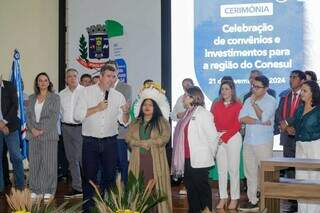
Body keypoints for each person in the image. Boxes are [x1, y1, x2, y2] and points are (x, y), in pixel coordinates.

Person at [74, 64, 130, 212]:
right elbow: (77, 116)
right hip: (90, 142)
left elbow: (124, 121)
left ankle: (107, 207)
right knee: (89, 178)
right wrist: (96, 108)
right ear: (100, 77)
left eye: (114, 77)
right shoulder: (86, 93)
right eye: (109, 76)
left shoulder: (119, 96)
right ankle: (89, 208)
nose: (111, 80)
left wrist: (126, 112)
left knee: (110, 177)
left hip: (110, 142)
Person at [172, 86, 219, 213]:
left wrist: (210, 154)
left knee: (201, 187)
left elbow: (213, 137)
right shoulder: (186, 113)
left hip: (200, 158)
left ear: (194, 97)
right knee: (191, 188)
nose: (183, 97)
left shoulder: (203, 113)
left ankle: (207, 210)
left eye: (186, 95)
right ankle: (194, 210)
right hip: (186, 158)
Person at [125, 85, 172, 213]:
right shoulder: (135, 122)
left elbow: (165, 138)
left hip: (155, 159)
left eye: (150, 105)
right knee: (139, 186)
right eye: (145, 104)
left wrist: (149, 142)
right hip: (138, 159)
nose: (147, 107)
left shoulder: (162, 121)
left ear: (155, 107)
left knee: (155, 187)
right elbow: (128, 138)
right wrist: (140, 143)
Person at [238, 75, 277, 212]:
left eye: (257, 87)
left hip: (263, 142)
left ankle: (266, 200)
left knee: (265, 172)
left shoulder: (271, 101)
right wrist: (258, 121)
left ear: (266, 88)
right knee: (250, 172)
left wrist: (255, 105)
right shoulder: (248, 99)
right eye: (253, 86)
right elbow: (241, 118)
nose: (254, 89)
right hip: (248, 141)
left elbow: (265, 116)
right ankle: (252, 200)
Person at [282, 80, 320, 213]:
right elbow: (296, 127)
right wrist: (290, 129)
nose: (301, 93)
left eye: (304, 91)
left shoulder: (318, 110)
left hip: (315, 147)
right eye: (301, 90)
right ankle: (303, 210)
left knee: (315, 180)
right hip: (300, 146)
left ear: (313, 93)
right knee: (301, 179)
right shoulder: (299, 109)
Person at [26, 72, 60, 200]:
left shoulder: (55, 98)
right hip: (33, 135)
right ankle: (35, 189)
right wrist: (33, 129)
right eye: (40, 80)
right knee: (35, 163)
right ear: (37, 83)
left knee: (49, 164)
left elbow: (54, 117)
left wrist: (41, 131)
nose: (43, 82)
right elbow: (28, 116)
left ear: (49, 82)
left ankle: (49, 190)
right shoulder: (31, 98)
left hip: (49, 135)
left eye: (45, 80)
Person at [211, 80, 242, 210]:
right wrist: (216, 137)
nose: (224, 91)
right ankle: (223, 197)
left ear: (232, 90)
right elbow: (212, 122)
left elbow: (238, 124)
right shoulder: (216, 105)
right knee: (221, 171)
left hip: (233, 137)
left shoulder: (238, 105)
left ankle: (234, 198)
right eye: (222, 89)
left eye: (227, 89)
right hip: (219, 138)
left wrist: (225, 137)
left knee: (233, 170)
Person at [106, 60, 132, 185]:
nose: (111, 72)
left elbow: (123, 109)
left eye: (113, 69)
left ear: (117, 71)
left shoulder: (126, 87)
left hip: (120, 132)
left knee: (122, 162)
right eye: (108, 69)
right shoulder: (102, 87)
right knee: (108, 163)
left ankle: (126, 189)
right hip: (105, 132)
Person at [59, 68, 84, 198]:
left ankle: (88, 187)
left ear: (78, 78)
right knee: (71, 159)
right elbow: (59, 113)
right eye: (69, 76)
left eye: (74, 76)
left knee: (81, 158)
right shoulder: (61, 94)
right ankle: (77, 187)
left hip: (81, 128)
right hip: (66, 128)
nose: (72, 78)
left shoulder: (85, 92)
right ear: (66, 79)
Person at [0, 75, 25, 193]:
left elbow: (15, 106)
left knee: (16, 156)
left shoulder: (10, 86)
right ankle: (1, 187)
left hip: (10, 127)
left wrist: (4, 123)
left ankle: (20, 187)